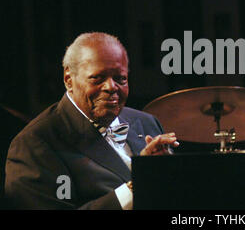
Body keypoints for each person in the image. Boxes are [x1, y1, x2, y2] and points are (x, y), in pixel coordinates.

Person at [5, 32, 179, 209]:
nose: (111, 87)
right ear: (68, 80)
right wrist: (136, 187)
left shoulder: (147, 122)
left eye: (121, 79)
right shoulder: (33, 144)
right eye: (97, 78)